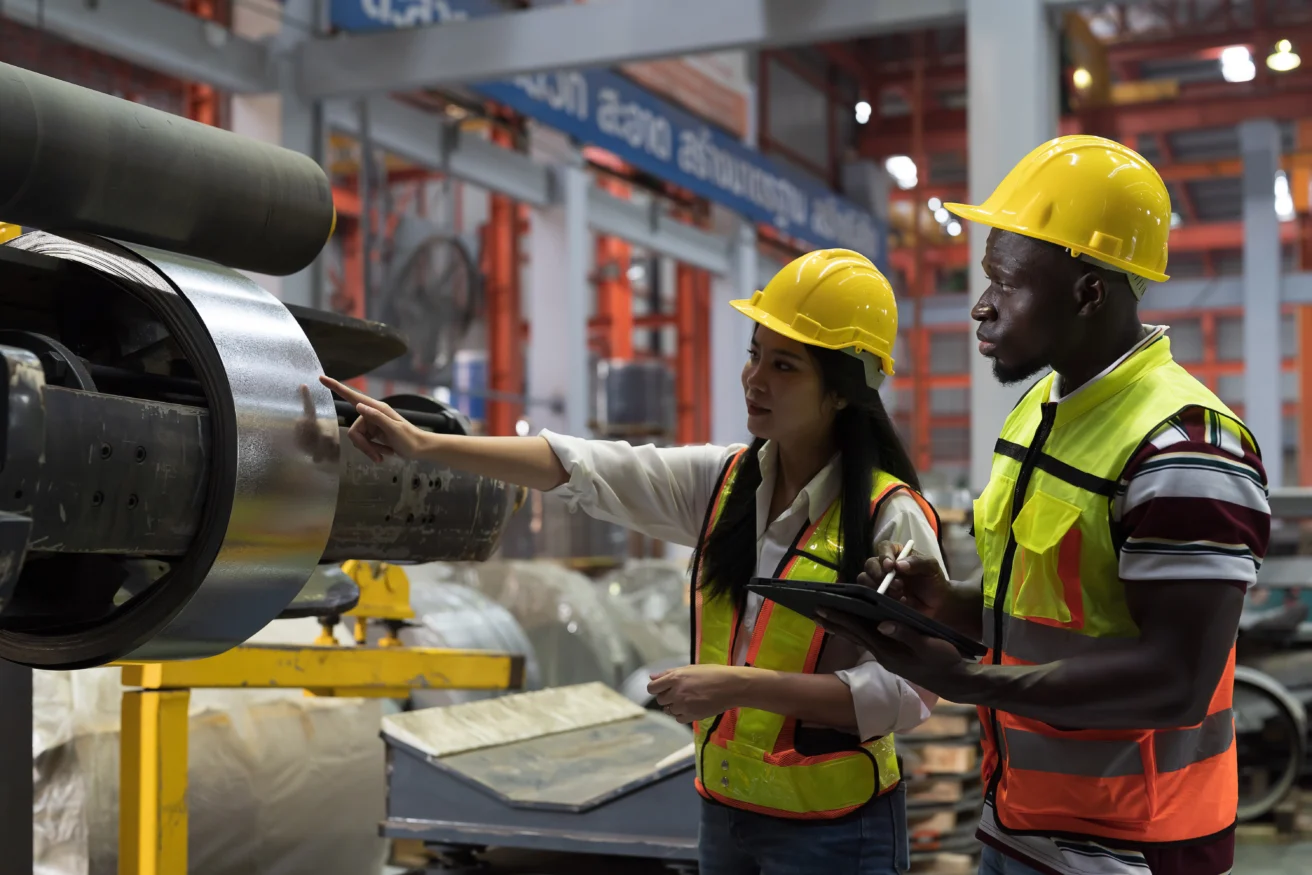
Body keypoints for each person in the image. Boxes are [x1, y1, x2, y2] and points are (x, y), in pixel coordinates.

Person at [322, 249, 946, 875]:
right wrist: (427, 443)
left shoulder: (888, 518)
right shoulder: (725, 484)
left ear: (842, 392)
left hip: (834, 833)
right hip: (726, 815)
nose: (755, 379)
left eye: (785, 365)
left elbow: (906, 694)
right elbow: (582, 466)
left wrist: (737, 686)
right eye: (755, 353)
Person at [818, 135, 1271, 875]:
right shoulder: (1038, 410)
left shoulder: (1186, 446)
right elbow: (1052, 617)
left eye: (1006, 283)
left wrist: (966, 680)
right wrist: (945, 603)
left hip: (1130, 848)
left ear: (1088, 290)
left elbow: (1177, 679)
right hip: (1018, 821)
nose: (981, 306)